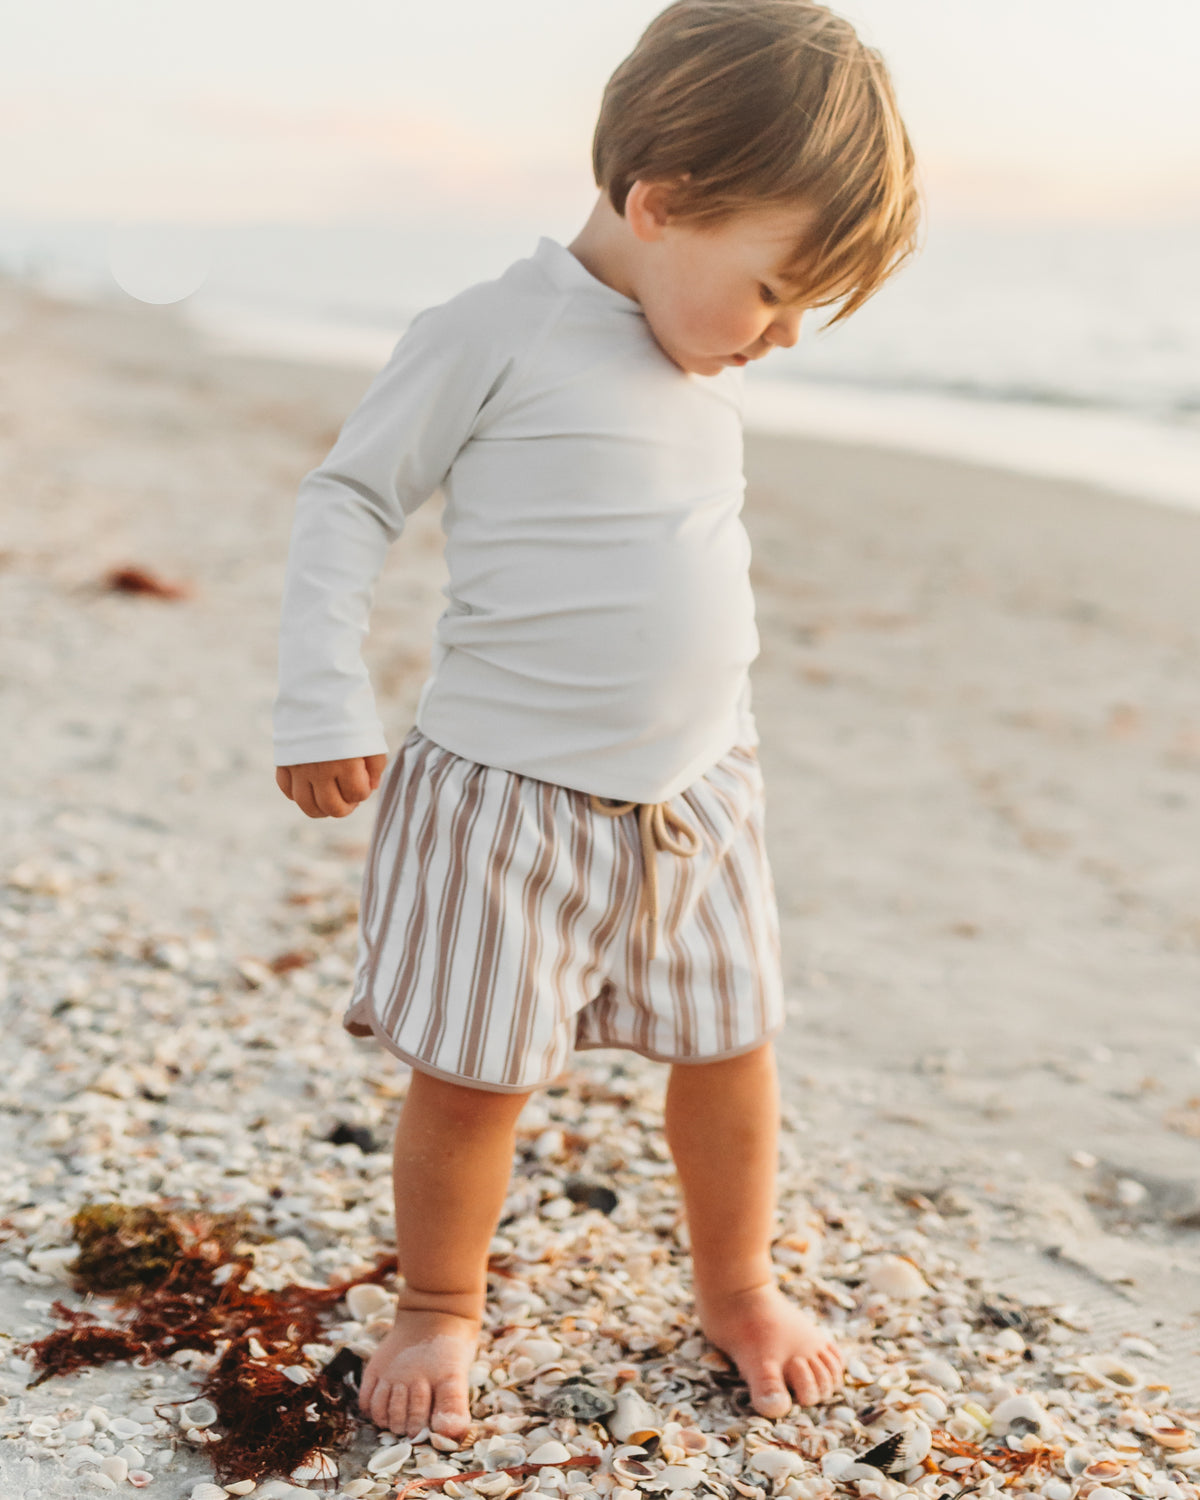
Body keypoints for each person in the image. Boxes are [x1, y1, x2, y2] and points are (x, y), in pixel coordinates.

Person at [273, 0, 920, 1442]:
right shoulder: (495, 331)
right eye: (773, 290)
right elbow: (350, 497)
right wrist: (324, 694)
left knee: (733, 1045)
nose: (781, 334)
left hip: (700, 795)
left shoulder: (695, 361)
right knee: (477, 1074)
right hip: (511, 801)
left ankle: (738, 1282)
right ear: (664, 204)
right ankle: (441, 1302)